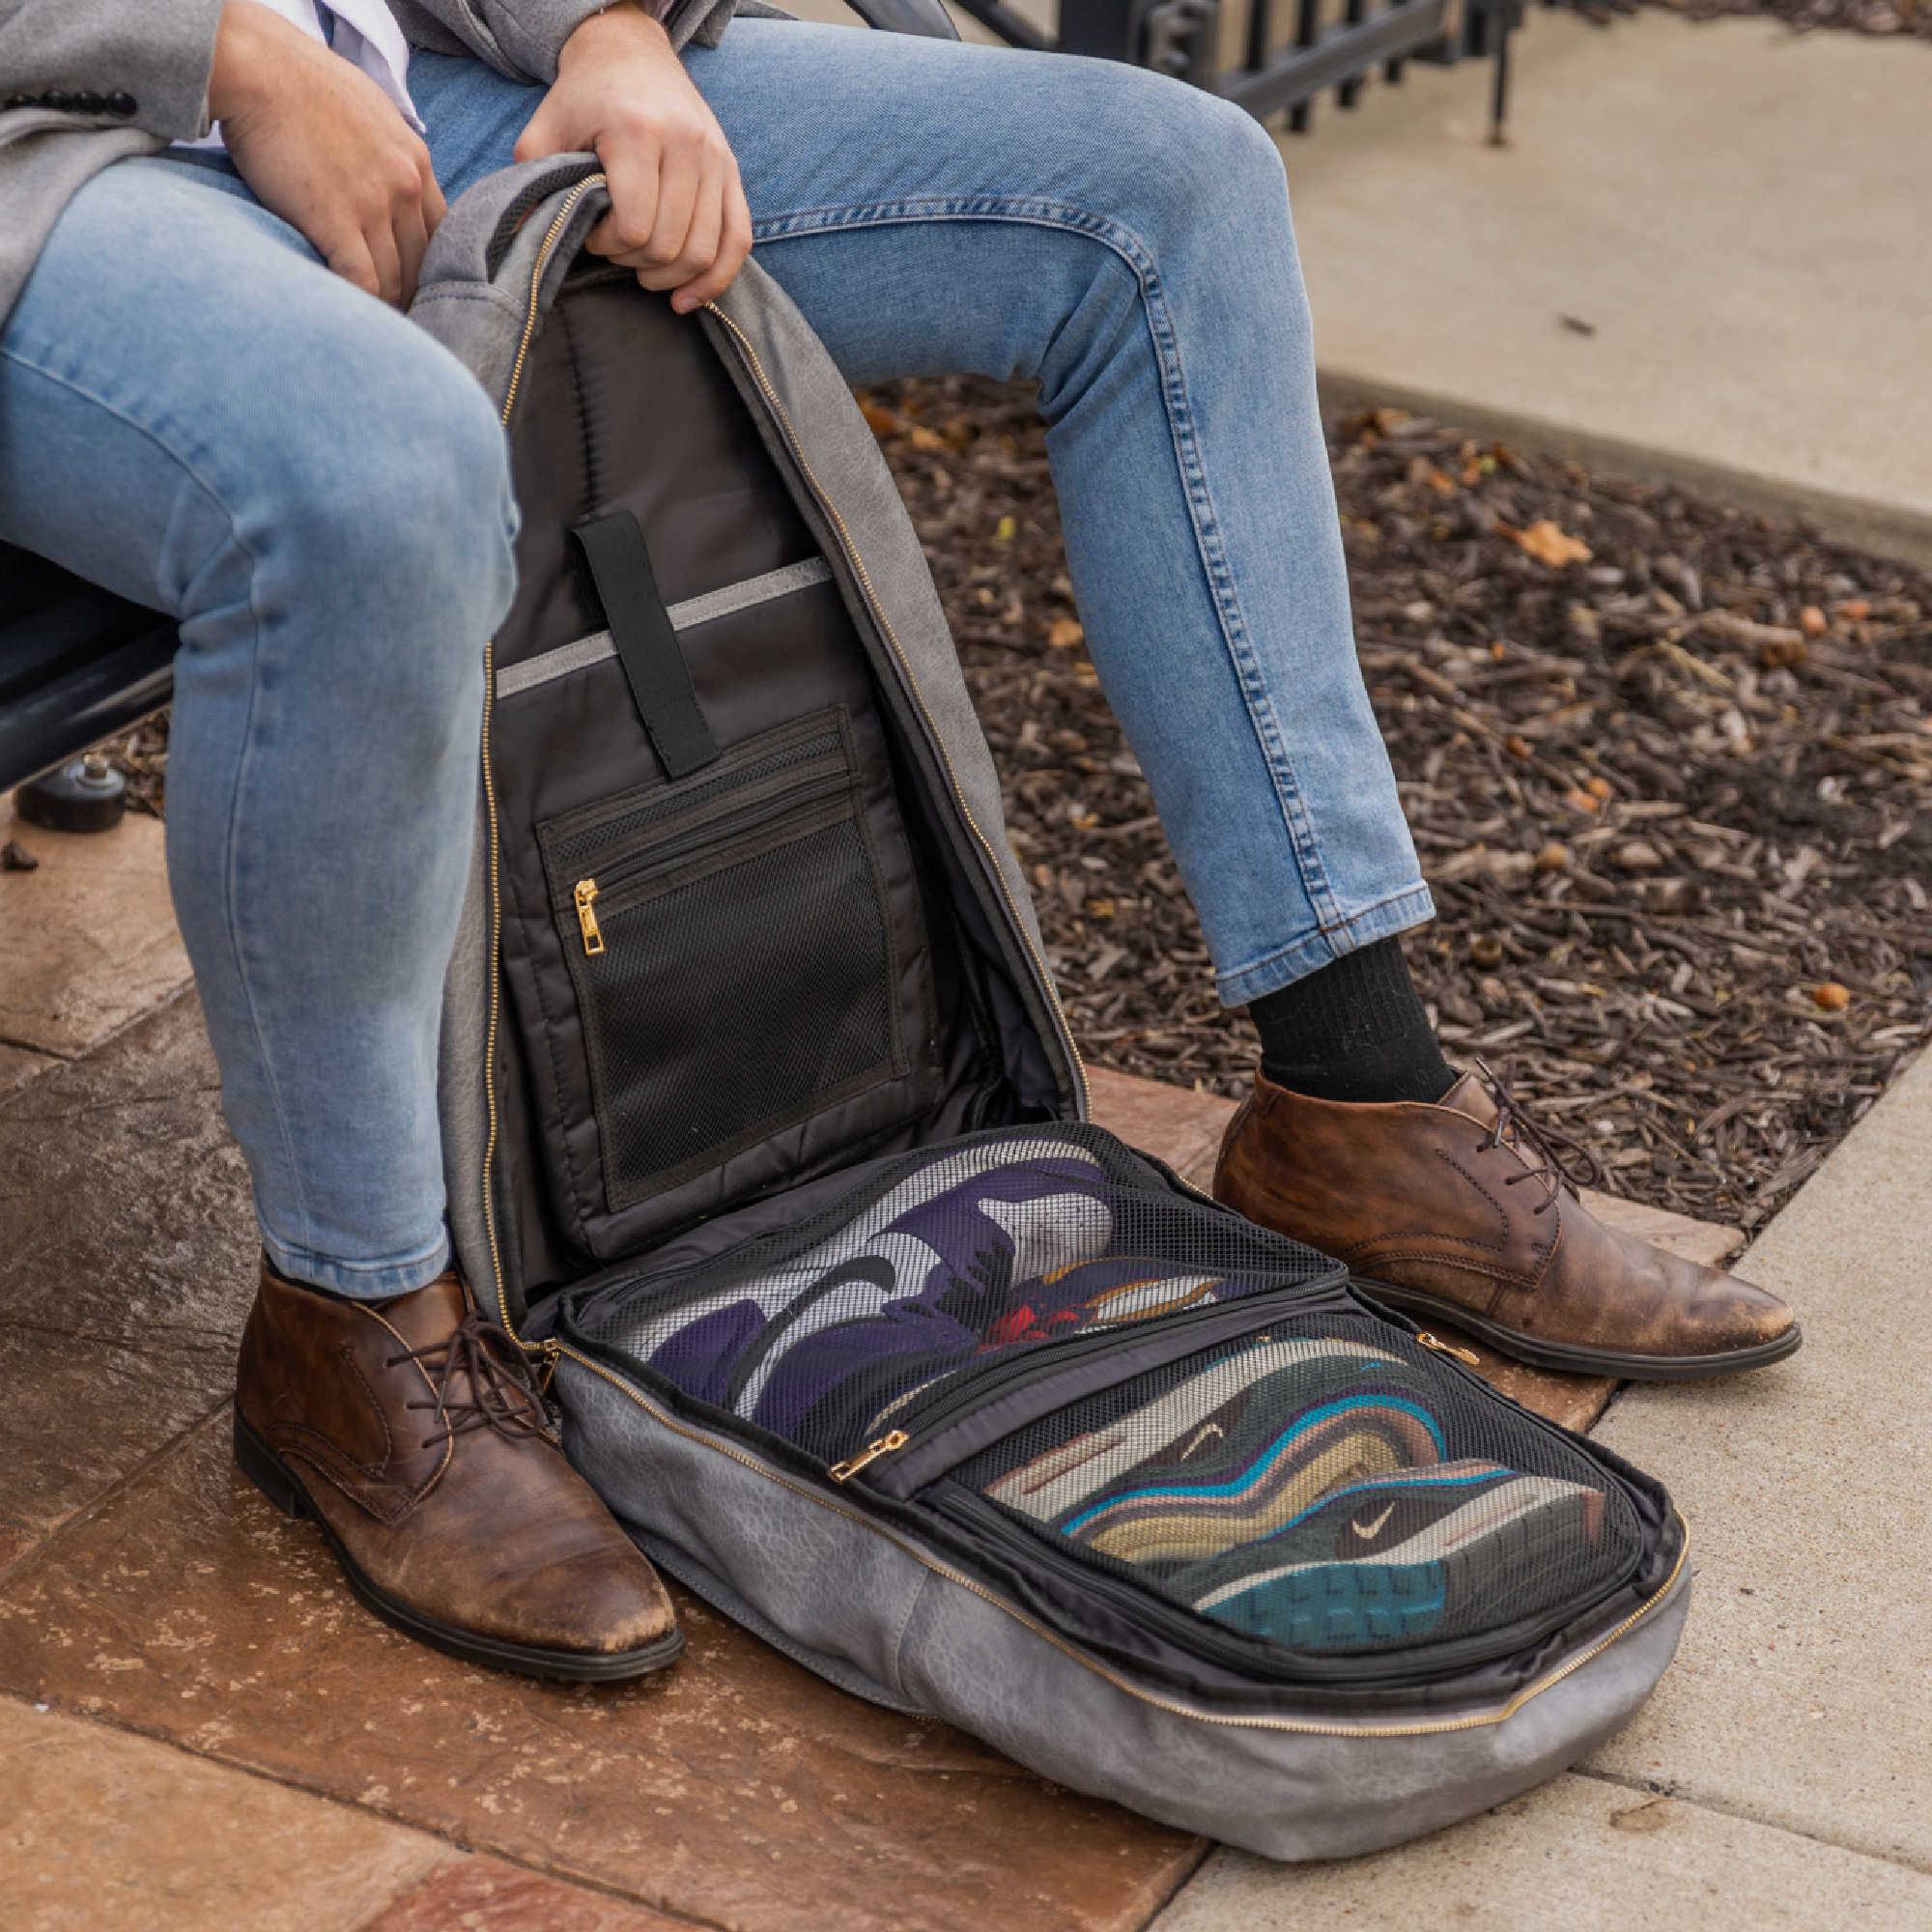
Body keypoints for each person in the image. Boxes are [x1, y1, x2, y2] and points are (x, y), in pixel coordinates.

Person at [0, 0, 1798, 1681]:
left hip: (422, 58)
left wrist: (605, 33)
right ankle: (358, 1314)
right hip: (70, 140)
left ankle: (1358, 1096)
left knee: (1164, 195)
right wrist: (218, 46)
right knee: (379, 478)